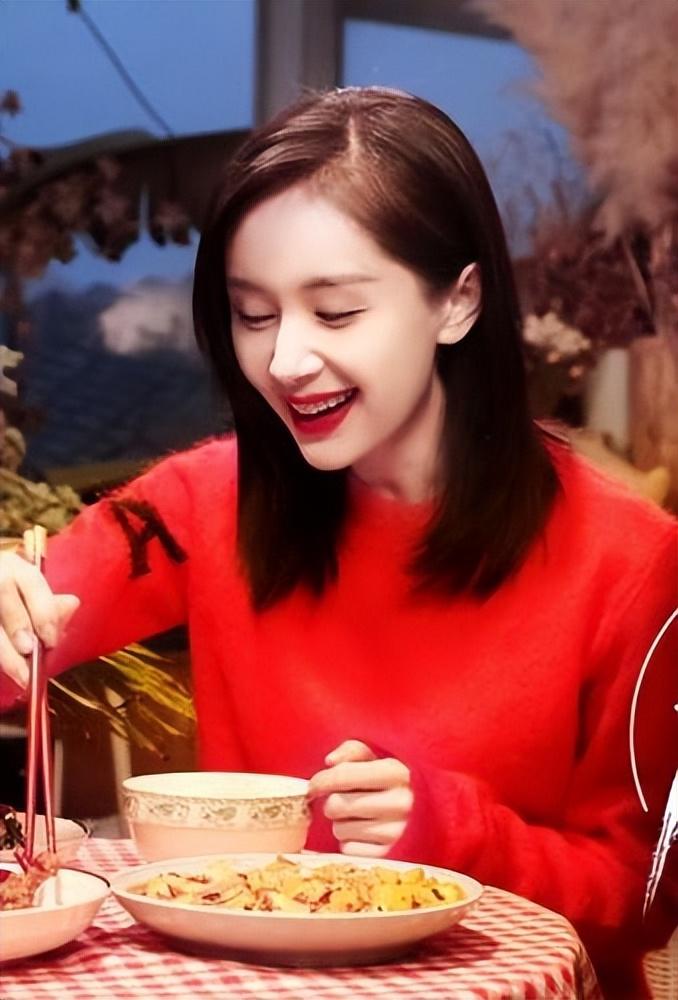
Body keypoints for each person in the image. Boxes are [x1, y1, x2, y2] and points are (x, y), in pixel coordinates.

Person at [0, 87, 676, 995]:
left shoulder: (632, 559)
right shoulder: (206, 503)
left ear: (458, 302)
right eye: (253, 314)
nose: (285, 361)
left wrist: (456, 829)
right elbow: (29, 628)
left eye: (337, 312)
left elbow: (645, 897)